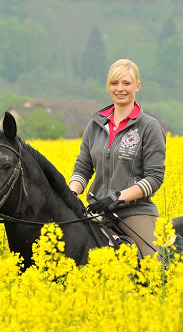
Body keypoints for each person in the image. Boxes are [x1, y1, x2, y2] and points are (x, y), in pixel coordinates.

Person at [69, 59, 166, 257]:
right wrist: (70, 194)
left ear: (137, 86)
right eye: (114, 83)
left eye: (126, 83)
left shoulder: (149, 127)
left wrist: (117, 198)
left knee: (154, 265)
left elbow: (154, 178)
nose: (120, 89)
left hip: (134, 213)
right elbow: (82, 168)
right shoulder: (95, 125)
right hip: (96, 212)